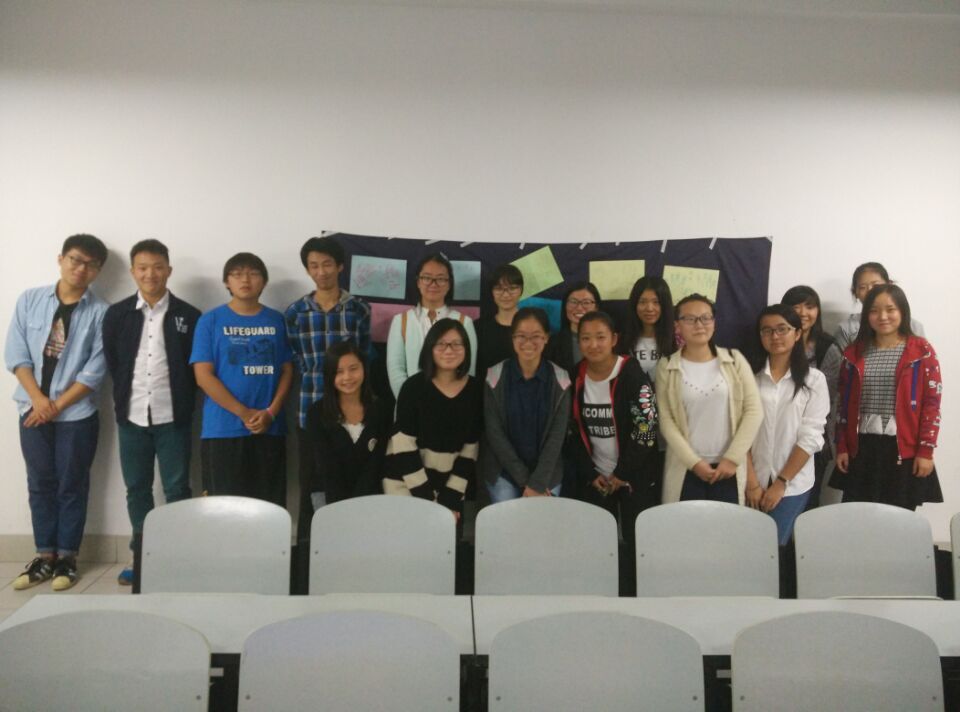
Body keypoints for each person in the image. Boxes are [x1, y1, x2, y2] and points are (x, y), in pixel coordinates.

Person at [5, 234, 109, 591]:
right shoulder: (29, 300)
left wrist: (54, 406)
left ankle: (67, 557)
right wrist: (38, 400)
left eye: (90, 265)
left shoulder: (102, 312)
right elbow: (16, 354)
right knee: (39, 483)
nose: (81, 269)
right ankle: (44, 557)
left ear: (98, 271)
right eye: (75, 259)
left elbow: (94, 370)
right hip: (31, 410)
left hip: (76, 414)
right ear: (61, 258)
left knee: (71, 484)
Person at [102, 239, 201, 585]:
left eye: (158, 267)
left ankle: (178, 557)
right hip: (131, 417)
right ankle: (141, 555)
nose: (150, 274)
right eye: (143, 268)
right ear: (133, 272)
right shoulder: (117, 314)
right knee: (137, 489)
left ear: (168, 270)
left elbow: (194, 367)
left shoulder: (189, 315)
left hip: (173, 418)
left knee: (177, 489)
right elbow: (114, 363)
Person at [190, 252, 293, 506]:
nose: (245, 280)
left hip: (269, 429)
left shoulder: (277, 320)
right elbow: (203, 376)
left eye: (253, 274)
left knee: (268, 508)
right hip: (223, 430)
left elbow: (287, 370)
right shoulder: (210, 321)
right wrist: (244, 413)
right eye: (237, 274)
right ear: (227, 282)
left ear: (264, 281)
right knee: (224, 509)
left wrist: (271, 413)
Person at [285, 235, 371, 532]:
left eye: (327, 264)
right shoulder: (295, 313)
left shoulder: (358, 309)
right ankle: (309, 545)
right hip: (310, 408)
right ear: (307, 270)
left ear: (340, 266)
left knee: (348, 482)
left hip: (351, 413)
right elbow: (295, 358)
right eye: (314, 266)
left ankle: (349, 543)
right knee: (312, 482)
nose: (321, 272)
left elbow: (364, 355)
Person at [834, 284, 942, 510]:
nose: (882, 316)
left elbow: (931, 404)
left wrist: (926, 451)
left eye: (890, 309)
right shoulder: (853, 352)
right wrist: (842, 446)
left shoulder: (921, 350)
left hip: (902, 448)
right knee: (858, 514)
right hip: (861, 448)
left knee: (898, 518)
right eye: (874, 311)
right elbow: (843, 405)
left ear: (902, 311)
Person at [656, 294, 763, 505]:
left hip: (728, 468)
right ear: (677, 325)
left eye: (705, 318)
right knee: (685, 523)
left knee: (726, 524)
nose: (699, 325)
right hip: (686, 467)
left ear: (714, 322)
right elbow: (666, 421)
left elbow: (754, 411)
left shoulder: (734, 360)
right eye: (690, 319)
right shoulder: (666, 366)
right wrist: (694, 462)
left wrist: (732, 458)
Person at [746, 305, 829, 545]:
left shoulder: (814, 380)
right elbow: (739, 433)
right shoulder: (749, 378)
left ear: (797, 333)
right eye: (767, 330)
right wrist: (752, 483)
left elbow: (811, 437)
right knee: (748, 546)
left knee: (773, 546)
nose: (775, 336)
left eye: (782, 329)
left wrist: (781, 482)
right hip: (752, 479)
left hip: (792, 484)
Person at [571, 311, 659, 536]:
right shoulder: (575, 377)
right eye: (586, 338)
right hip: (596, 478)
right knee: (598, 542)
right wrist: (590, 474)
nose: (593, 345)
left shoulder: (631, 373)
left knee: (638, 540)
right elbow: (571, 432)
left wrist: (622, 473)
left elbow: (647, 427)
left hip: (633, 476)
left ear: (614, 339)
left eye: (600, 337)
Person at [383, 319, 482, 519]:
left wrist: (450, 499)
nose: (449, 350)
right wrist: (428, 501)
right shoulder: (413, 387)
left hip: (450, 488)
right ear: (429, 348)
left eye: (456, 344)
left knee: (447, 537)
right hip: (405, 485)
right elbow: (403, 447)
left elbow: (470, 450)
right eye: (441, 344)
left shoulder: (475, 389)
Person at [481, 308, 570, 502]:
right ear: (512, 338)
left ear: (546, 338)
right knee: (510, 513)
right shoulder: (494, 376)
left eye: (536, 336)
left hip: (547, 473)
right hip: (503, 471)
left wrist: (537, 483)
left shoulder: (561, 379)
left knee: (542, 516)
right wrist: (525, 481)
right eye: (521, 336)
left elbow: (556, 437)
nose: (528, 342)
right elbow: (495, 434)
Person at [305, 341, 388, 508]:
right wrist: (342, 510)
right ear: (329, 376)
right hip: (329, 498)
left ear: (364, 369)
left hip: (371, 498)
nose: (347, 377)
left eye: (353, 369)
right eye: (339, 372)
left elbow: (377, 464)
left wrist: (359, 505)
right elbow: (326, 467)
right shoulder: (316, 413)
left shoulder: (381, 410)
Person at [781, 285, 841, 510]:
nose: (802, 313)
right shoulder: (775, 341)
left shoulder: (828, 348)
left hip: (813, 439)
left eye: (809, 306)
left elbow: (829, 399)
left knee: (808, 502)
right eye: (795, 306)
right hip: (776, 434)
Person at [386, 253, 477, 399]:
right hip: (410, 404)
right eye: (427, 278)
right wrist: (409, 401)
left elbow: (468, 370)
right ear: (418, 282)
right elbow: (396, 371)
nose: (433, 284)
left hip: (454, 403)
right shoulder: (402, 321)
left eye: (440, 279)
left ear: (449, 284)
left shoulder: (464, 322)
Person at [834, 262, 924, 350]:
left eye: (876, 285)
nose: (870, 291)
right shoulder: (847, 329)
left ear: (889, 285)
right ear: (855, 292)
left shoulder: (914, 326)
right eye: (862, 287)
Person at [619, 275, 676, 379]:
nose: (649, 308)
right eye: (642, 302)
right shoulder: (622, 340)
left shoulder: (676, 340)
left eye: (656, 302)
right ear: (635, 304)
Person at [476, 264, 524, 378]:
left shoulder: (533, 326)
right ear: (492, 291)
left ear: (521, 290)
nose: (506, 294)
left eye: (512, 288)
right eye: (499, 289)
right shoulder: (478, 328)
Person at [546, 281, 601, 378]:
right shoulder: (552, 343)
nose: (579, 308)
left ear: (596, 307)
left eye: (586, 302)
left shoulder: (607, 341)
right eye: (573, 302)